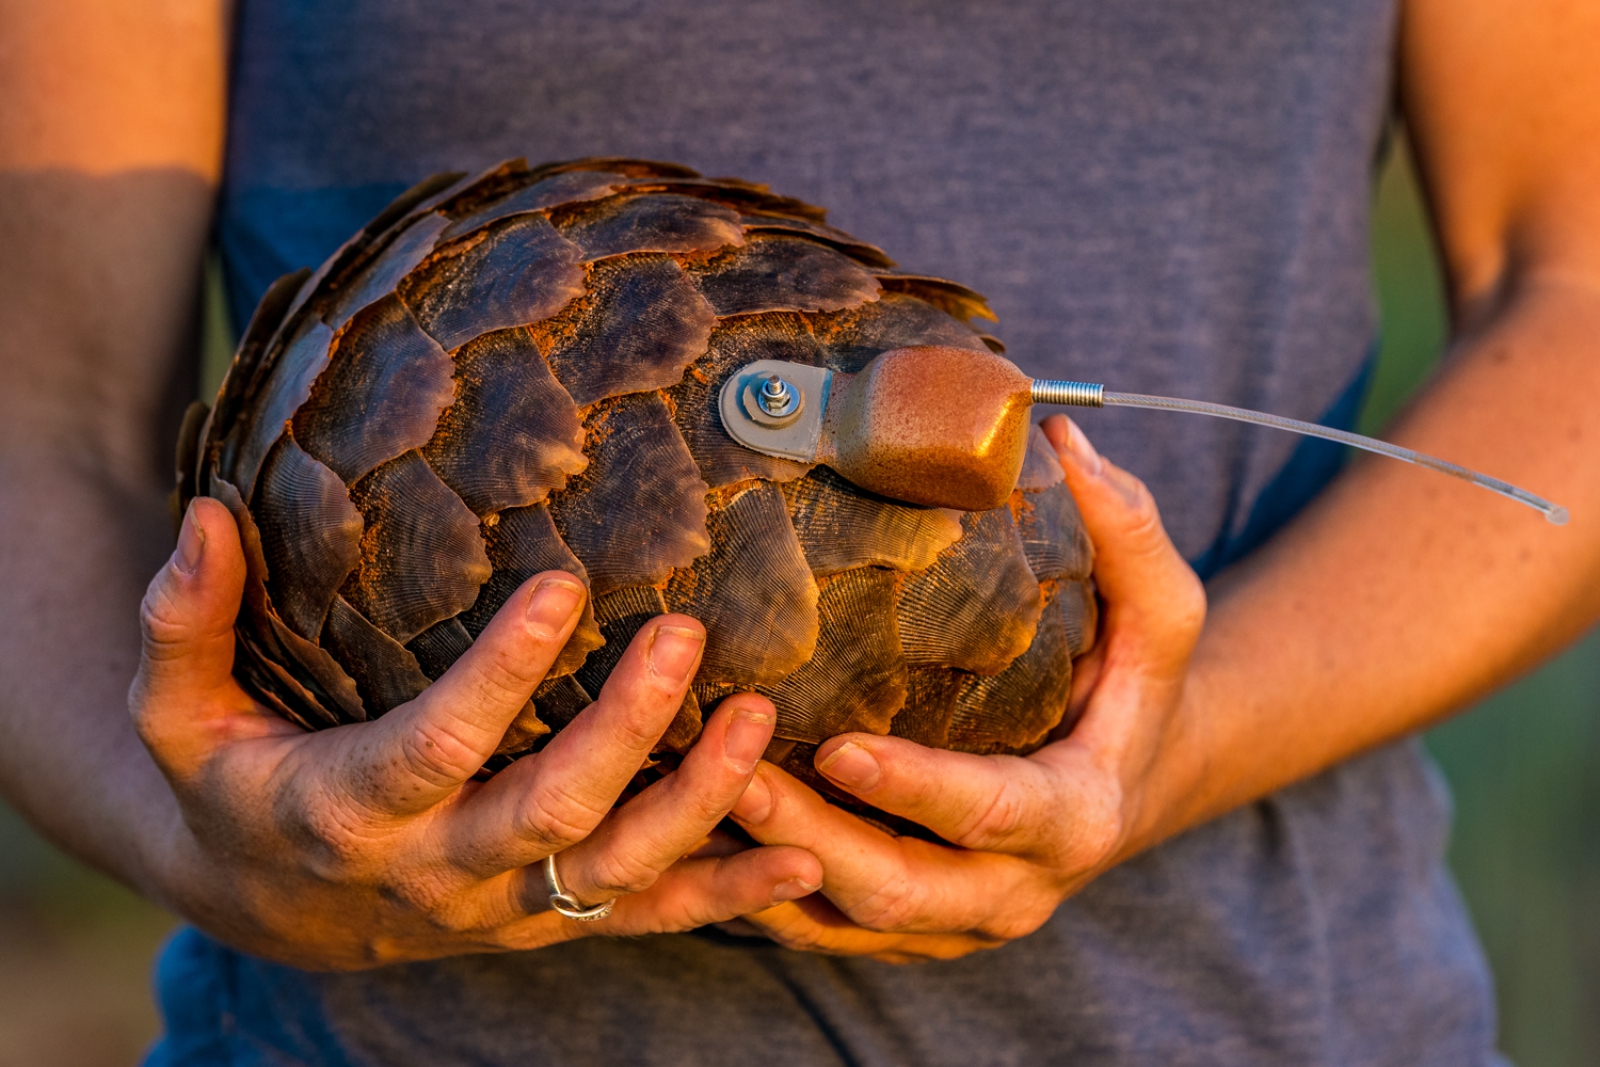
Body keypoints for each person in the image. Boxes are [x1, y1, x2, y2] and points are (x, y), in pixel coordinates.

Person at [3, 0, 1598, 1063]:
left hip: (1260, 1016)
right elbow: (33, 415)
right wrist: (202, 847)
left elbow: (1574, 291)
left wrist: (1194, 734)